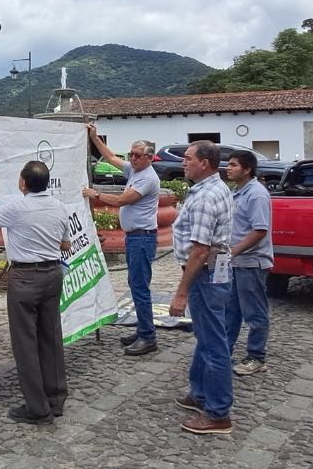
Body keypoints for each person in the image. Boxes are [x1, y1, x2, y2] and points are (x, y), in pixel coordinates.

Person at [0, 162, 71, 425]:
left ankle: (38, 408)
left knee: (25, 342)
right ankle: (56, 398)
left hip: (26, 277)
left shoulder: (18, 207)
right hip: (52, 274)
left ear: (23, 184)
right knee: (50, 336)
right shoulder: (59, 207)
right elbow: (65, 244)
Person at [168, 141, 234, 435]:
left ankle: (218, 413)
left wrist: (181, 291)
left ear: (204, 163)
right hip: (212, 272)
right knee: (206, 336)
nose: (183, 163)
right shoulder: (211, 189)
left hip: (204, 274)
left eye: (187, 158)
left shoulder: (207, 197)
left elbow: (199, 250)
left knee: (213, 343)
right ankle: (201, 393)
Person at [82, 126, 160, 356]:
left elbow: (121, 200)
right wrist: (94, 137)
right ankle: (143, 329)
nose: (132, 158)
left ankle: (148, 337)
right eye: (131, 154)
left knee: (139, 288)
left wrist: (94, 194)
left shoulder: (147, 178)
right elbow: (110, 157)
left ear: (148, 157)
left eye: (137, 155)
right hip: (135, 237)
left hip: (142, 238)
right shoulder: (135, 170)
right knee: (135, 286)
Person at [224, 150, 273, 376]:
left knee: (254, 312)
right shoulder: (239, 192)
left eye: (233, 165)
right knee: (231, 310)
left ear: (247, 169)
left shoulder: (256, 194)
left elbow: (260, 230)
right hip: (236, 263)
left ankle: (256, 356)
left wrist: (233, 251)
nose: (228, 168)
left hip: (251, 263)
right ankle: (225, 351)